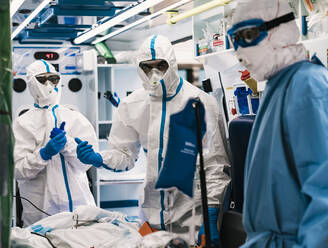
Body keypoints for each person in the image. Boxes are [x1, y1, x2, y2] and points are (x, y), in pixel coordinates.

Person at [75, 34, 231, 245]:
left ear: (172, 64)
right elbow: (124, 155)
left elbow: (216, 166)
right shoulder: (132, 104)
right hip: (151, 214)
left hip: (194, 213)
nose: (154, 73)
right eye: (147, 67)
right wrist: (99, 158)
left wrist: (211, 211)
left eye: (161, 65)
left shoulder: (201, 103)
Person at [227, 0, 328, 247]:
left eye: (248, 36)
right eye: (235, 41)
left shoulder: (307, 86)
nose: (240, 53)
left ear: (280, 30)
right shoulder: (276, 87)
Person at [13, 60, 97, 227]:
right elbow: (18, 171)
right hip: (41, 212)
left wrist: (69, 145)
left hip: (80, 209)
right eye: (42, 80)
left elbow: (86, 164)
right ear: (31, 83)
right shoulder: (22, 124)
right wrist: (44, 154)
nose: (49, 84)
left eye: (53, 79)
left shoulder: (76, 118)